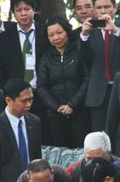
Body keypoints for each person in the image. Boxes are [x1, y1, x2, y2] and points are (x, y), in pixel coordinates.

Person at [0, 0, 50, 143]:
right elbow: (0, 71)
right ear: (13, 13)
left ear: (34, 10)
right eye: (19, 10)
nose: (23, 14)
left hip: (42, 94)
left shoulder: (45, 32)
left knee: (43, 138)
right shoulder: (5, 37)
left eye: (27, 9)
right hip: (17, 97)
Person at [79, 0, 120, 132]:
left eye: (107, 7)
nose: (103, 11)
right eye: (99, 8)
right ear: (94, 10)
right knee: (99, 134)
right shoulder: (89, 30)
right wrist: (84, 36)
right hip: (98, 93)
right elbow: (84, 59)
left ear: (115, 7)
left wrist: (115, 30)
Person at [36, 15, 90, 148]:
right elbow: (41, 87)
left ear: (67, 31)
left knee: (80, 149)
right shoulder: (46, 58)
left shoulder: (78, 50)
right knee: (60, 150)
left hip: (80, 111)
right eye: (51, 35)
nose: (56, 38)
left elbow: (87, 79)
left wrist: (72, 104)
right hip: (56, 114)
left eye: (59, 32)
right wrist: (57, 107)